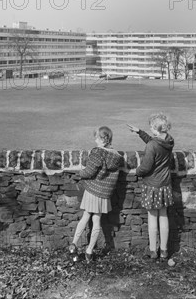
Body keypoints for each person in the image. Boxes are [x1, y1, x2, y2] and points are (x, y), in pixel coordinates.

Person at [70, 126, 124, 262]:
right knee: (97, 220)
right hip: (104, 193)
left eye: (97, 137)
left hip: (93, 189)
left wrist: (79, 173)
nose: (95, 139)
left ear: (104, 139)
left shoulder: (97, 152)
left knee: (85, 217)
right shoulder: (117, 156)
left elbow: (89, 171)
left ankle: (74, 244)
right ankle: (89, 251)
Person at [127, 113, 175, 265]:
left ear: (155, 128)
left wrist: (136, 171)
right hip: (165, 184)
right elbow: (155, 143)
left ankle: (153, 250)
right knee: (164, 215)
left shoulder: (152, 146)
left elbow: (146, 166)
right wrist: (140, 132)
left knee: (152, 217)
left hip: (152, 185)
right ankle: (164, 250)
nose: (150, 129)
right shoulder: (169, 140)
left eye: (151, 127)